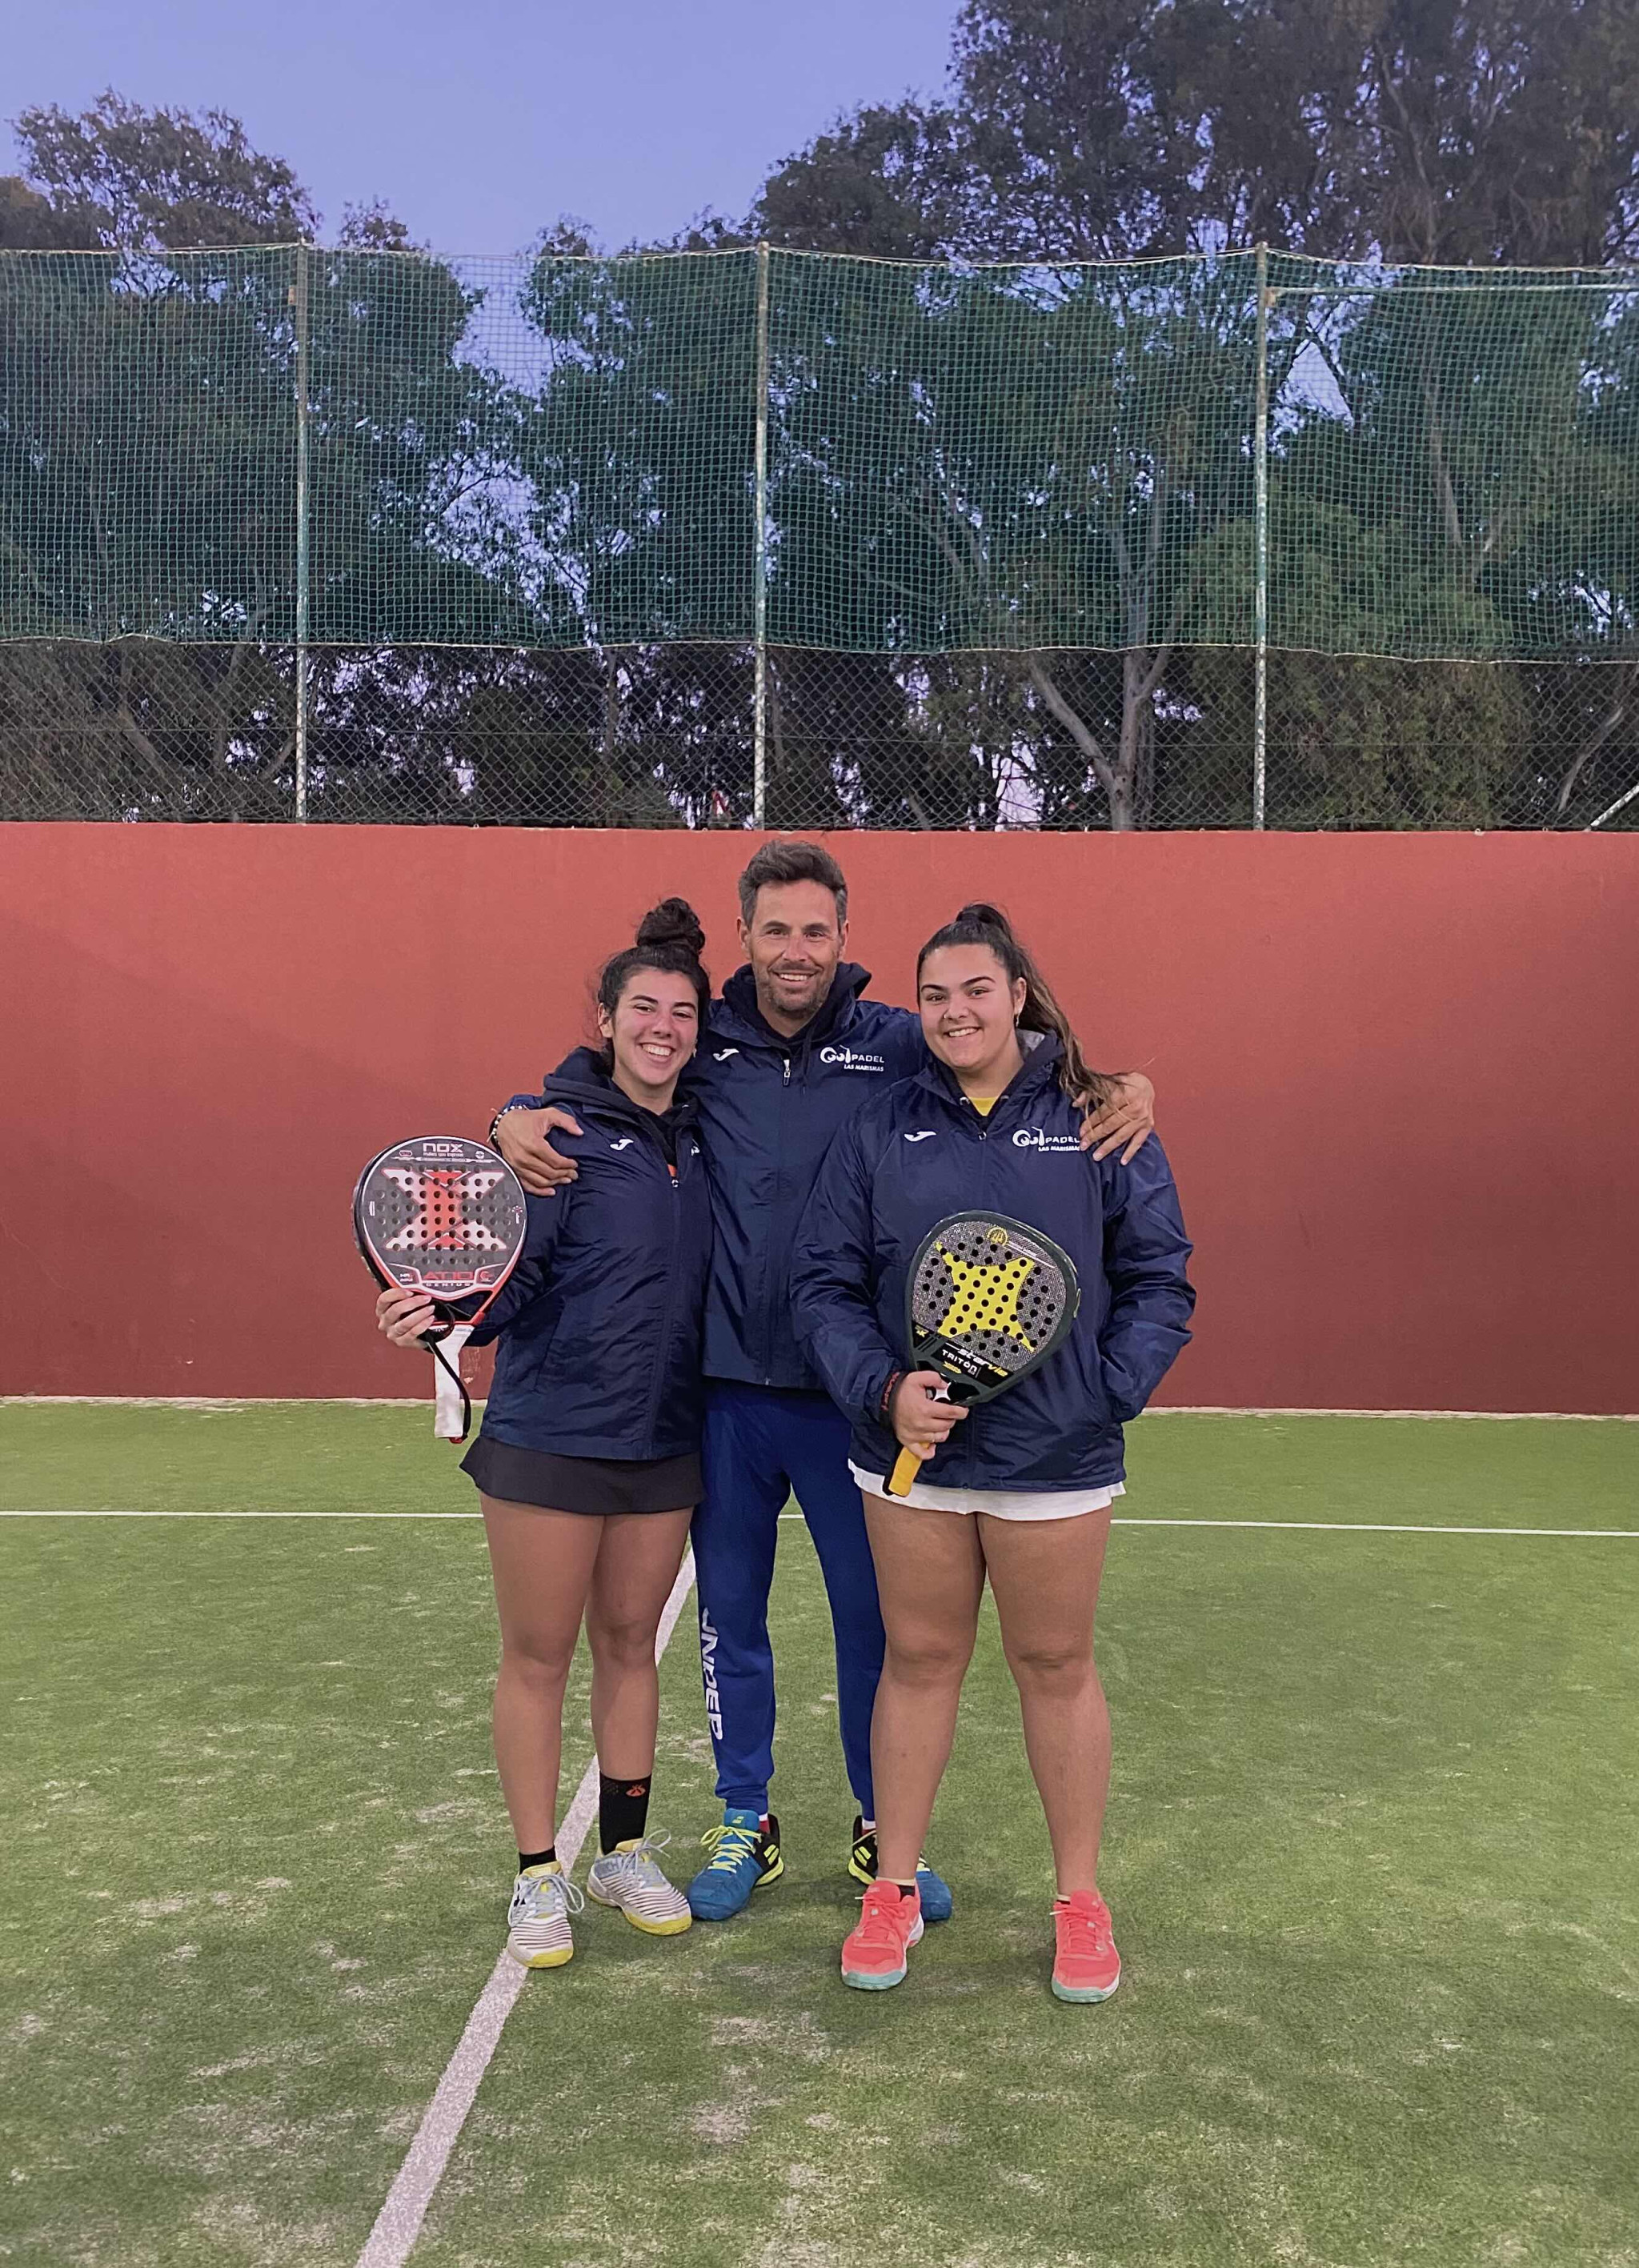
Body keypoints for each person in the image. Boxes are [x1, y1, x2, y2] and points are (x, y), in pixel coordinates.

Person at [490, 843, 1159, 1924]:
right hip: (726, 1397)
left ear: (844, 937)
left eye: (814, 931)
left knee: (880, 1630)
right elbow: (604, 1074)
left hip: (861, 1398)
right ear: (745, 937)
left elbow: (1020, 1053)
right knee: (731, 1618)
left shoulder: (897, 1039)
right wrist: (510, 1114)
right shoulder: (705, 1039)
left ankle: (879, 1831)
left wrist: (1123, 1085)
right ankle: (743, 1817)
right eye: (775, 931)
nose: (795, 951)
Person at [789, 903, 1194, 2000]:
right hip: (911, 1458)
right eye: (934, 995)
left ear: (1018, 994)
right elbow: (823, 1282)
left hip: (1057, 1462)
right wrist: (884, 1389)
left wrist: (1106, 1392)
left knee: (1056, 1667)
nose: (954, 1011)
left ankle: (1080, 1903)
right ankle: (892, 1890)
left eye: (976, 989)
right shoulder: (880, 1124)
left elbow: (1159, 1277)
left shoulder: (1099, 1116)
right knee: (919, 1662)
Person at [375, 901, 714, 1970]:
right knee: (537, 1655)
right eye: (643, 1008)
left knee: (631, 1644)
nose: (662, 1027)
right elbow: (505, 1277)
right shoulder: (557, 1133)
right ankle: (535, 1872)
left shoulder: (709, 1129)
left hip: (667, 1438)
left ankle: (622, 1854)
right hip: (550, 1437)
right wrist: (441, 1315)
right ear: (606, 1021)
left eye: (681, 1012)